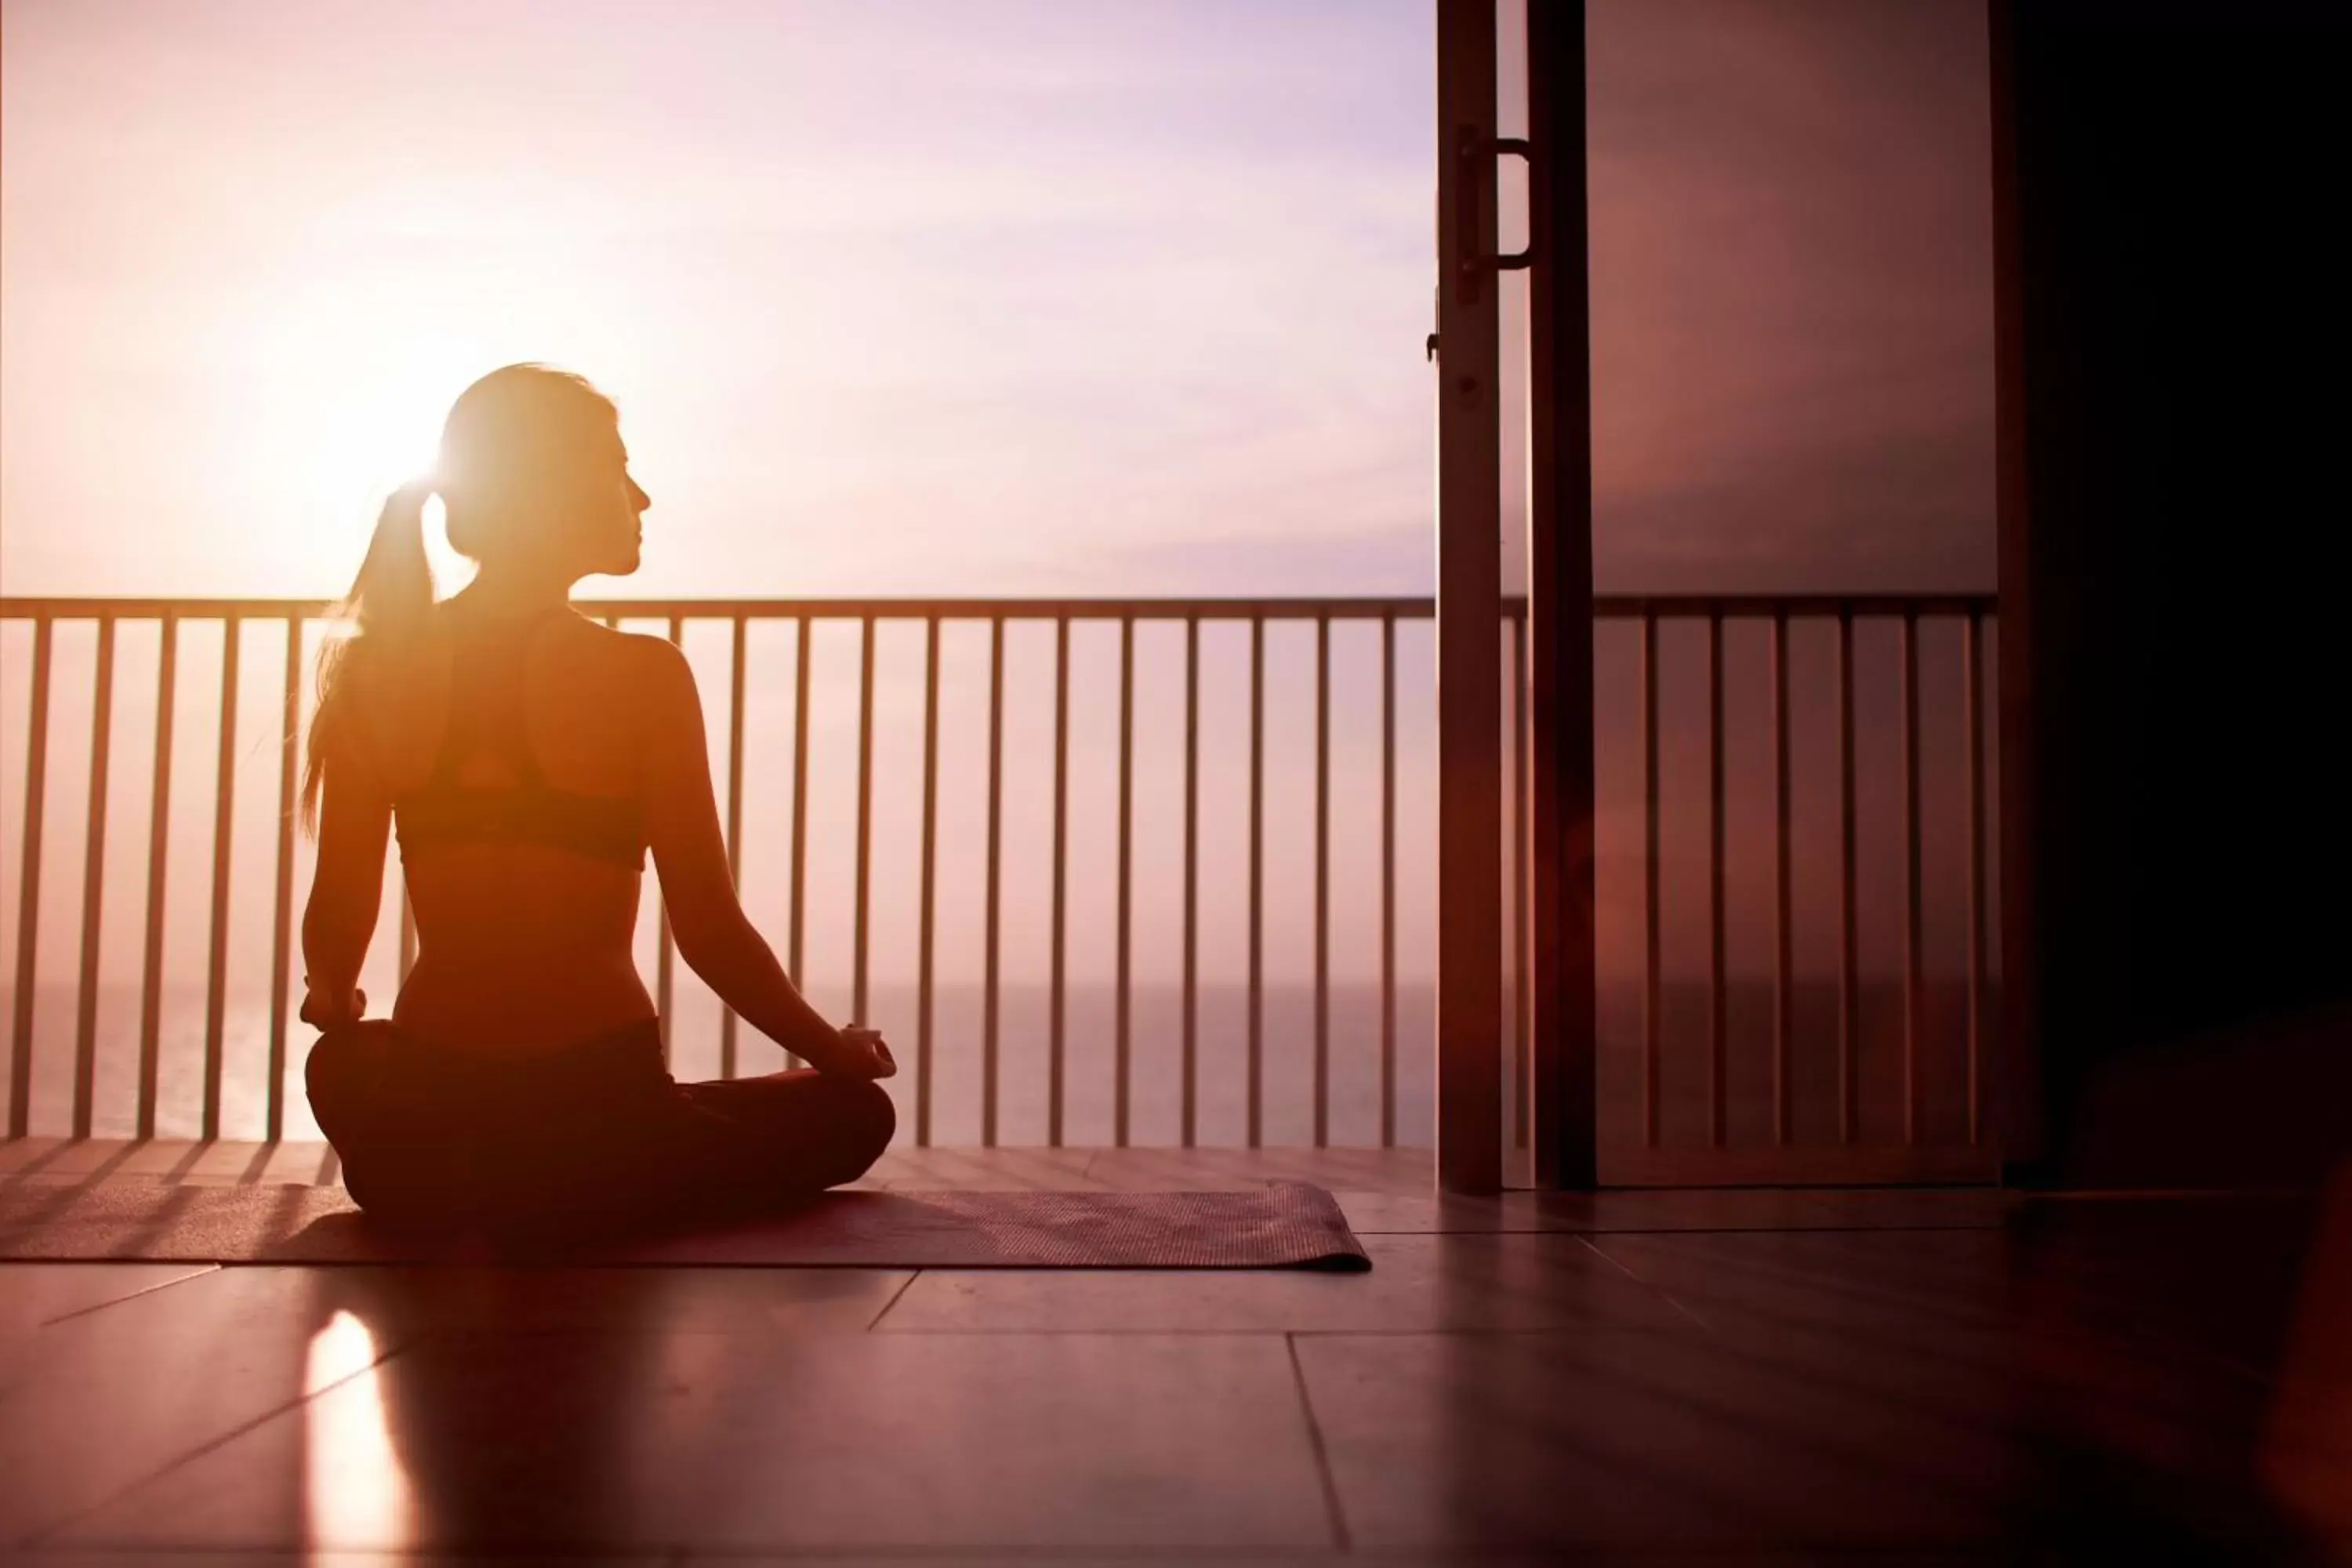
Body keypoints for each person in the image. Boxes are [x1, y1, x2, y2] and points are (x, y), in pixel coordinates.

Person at [298, 364, 895, 1240]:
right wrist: (830, 1050)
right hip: (604, 1131)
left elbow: (338, 915)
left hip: (430, 1129)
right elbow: (710, 930)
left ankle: (473, 1181)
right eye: (621, 467)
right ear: (562, 487)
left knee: (343, 1064)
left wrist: (336, 1003)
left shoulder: (384, 672)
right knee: (850, 1114)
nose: (643, 496)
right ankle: (602, 1171)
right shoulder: (644, 675)